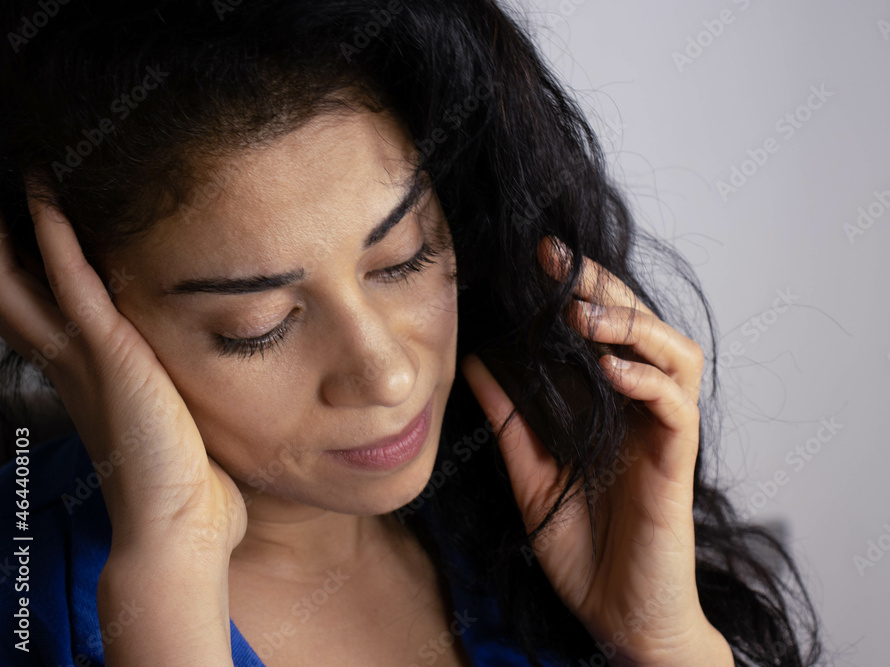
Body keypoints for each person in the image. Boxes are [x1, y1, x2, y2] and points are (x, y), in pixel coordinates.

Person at [0, 0, 825, 665]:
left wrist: (664, 641)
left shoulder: (528, 501)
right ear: (67, 313)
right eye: (257, 327)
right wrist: (171, 558)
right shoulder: (29, 587)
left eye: (402, 259)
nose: (388, 374)